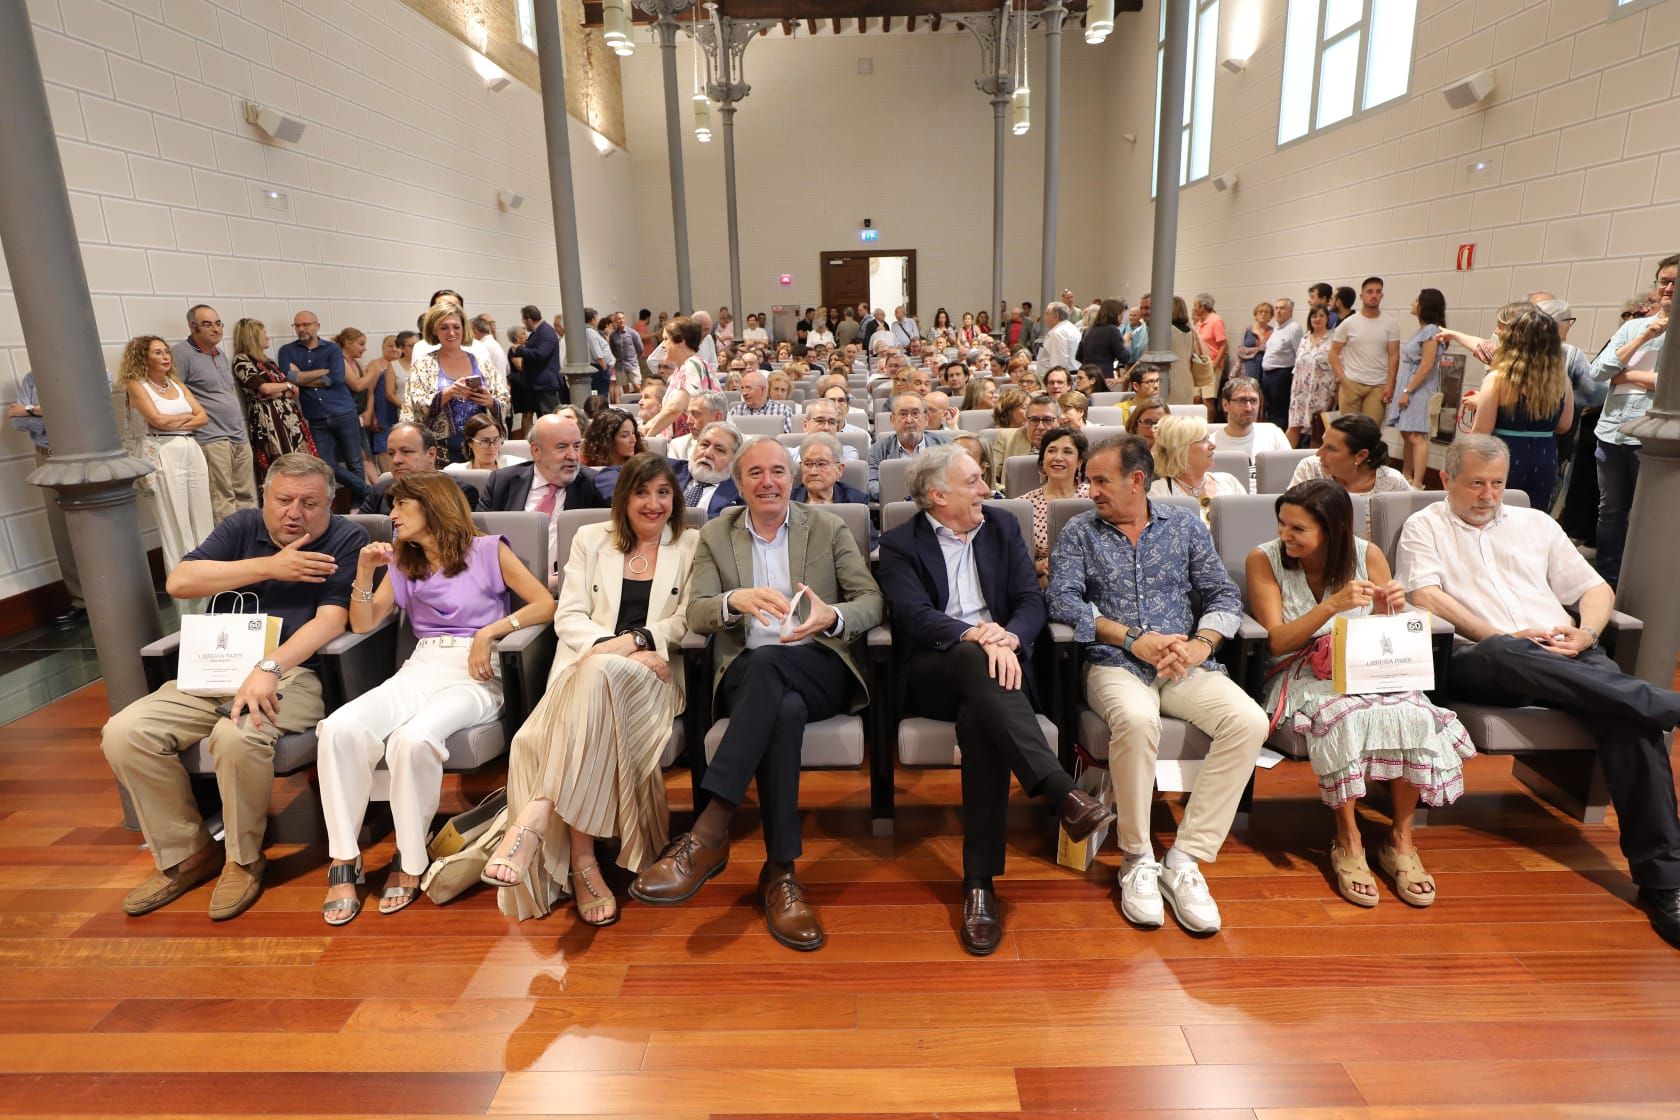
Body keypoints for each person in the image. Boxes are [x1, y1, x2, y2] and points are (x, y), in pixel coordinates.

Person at [1398, 436, 1680, 948]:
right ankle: (1667, 704)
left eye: (1498, 484)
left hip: (1564, 652)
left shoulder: (1537, 524)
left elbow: (1593, 589)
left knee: (1629, 722)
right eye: (1476, 484)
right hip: (1481, 658)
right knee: (1510, 652)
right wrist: (1498, 636)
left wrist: (1586, 633)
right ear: (1447, 479)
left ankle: (1664, 883)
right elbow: (1424, 595)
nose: (1488, 495)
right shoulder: (1426, 526)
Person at [628, 438, 885, 950]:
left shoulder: (830, 526)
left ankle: (709, 831)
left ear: (791, 479)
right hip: (748, 670)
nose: (767, 482)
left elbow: (871, 601)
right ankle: (781, 876)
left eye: (777, 472)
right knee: (778, 700)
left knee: (782, 678)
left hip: (820, 665)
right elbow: (698, 611)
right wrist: (732, 600)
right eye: (754, 474)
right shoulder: (716, 534)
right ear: (739, 483)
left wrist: (830, 617)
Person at [100, 454, 367, 920]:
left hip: (291, 672)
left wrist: (269, 666)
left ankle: (243, 860)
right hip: (214, 668)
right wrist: (270, 567)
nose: (295, 513)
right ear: (266, 498)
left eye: (310, 503)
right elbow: (181, 581)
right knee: (125, 732)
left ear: (330, 504)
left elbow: (331, 619)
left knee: (238, 734)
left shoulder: (346, 538)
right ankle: (188, 854)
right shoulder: (242, 528)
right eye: (284, 500)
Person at [877, 444, 1115, 954]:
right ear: (939, 496)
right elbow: (914, 615)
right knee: (970, 657)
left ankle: (979, 884)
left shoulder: (1003, 527)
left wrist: (1007, 637)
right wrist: (980, 637)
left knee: (981, 723)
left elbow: (1032, 600)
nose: (987, 489)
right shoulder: (899, 544)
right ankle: (1059, 790)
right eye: (974, 482)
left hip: (1002, 670)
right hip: (936, 671)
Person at [1048, 436, 1266, 936]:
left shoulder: (1186, 525)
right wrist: (1132, 638)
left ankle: (1185, 859)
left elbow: (1221, 595)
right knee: (1137, 718)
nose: (1091, 490)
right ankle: (1137, 857)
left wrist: (1201, 645)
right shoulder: (1081, 531)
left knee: (1248, 720)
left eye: (1101, 480)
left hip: (1184, 663)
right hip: (1114, 663)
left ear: (1137, 481)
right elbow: (1062, 601)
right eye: (1090, 480)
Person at [316, 471, 553, 923]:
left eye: (401, 505)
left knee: (414, 739)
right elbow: (364, 623)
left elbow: (544, 603)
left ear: (433, 505)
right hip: (420, 666)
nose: (391, 515)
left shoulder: (488, 550)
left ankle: (410, 861)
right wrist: (366, 570)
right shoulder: (406, 564)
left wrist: (491, 631)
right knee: (339, 728)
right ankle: (344, 858)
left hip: (477, 671)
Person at [481, 454, 698, 924]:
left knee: (596, 677)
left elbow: (688, 620)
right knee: (576, 699)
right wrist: (614, 651)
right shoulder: (590, 540)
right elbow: (569, 616)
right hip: (585, 672)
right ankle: (581, 860)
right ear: (624, 498)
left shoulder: (692, 544)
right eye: (642, 492)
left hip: (654, 677)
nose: (654, 503)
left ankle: (541, 819)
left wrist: (635, 642)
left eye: (663, 493)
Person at [1246, 480, 1473, 908]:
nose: (1284, 536)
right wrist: (1330, 607)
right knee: (1345, 716)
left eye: (1298, 529)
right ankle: (1348, 841)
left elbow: (1386, 628)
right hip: (1298, 670)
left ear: (1332, 530)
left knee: (1416, 712)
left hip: (1368, 667)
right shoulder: (1264, 559)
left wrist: (1392, 607)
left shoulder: (1367, 554)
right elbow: (1277, 641)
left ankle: (1400, 841)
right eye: (1282, 524)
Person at [1590, 254, 1673, 585]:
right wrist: (1643, 338)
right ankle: (1607, 579)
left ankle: (1638, 582)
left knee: (1646, 516)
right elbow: (1599, 371)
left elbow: (1671, 384)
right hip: (1611, 432)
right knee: (1609, 511)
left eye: (1674, 282)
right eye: (1662, 281)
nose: (1667, 288)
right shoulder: (1634, 327)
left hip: (1651, 439)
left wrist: (1630, 374)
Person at [117, 335, 215, 573]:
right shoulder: (137, 385)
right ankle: (186, 583)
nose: (165, 357)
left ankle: (210, 577)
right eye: (157, 353)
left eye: (166, 351)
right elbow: (157, 421)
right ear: (143, 357)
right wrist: (186, 419)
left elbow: (203, 417)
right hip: (163, 452)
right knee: (175, 522)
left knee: (203, 516)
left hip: (191, 448)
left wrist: (178, 422)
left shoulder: (178, 385)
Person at [480, 414, 609, 586]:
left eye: (577, 446)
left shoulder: (595, 485)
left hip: (571, 589)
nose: (572, 456)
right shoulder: (502, 483)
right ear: (536, 451)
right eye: (562, 447)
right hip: (507, 589)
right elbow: (477, 542)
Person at [1468, 306, 1571, 512]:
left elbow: (1481, 432)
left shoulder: (1498, 378)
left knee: (1498, 516)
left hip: (1505, 456)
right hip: (1544, 458)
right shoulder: (1561, 380)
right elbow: (1564, 425)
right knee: (1533, 518)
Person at [8, 371, 89, 622]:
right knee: (61, 529)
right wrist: (41, 412)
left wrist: (29, 410)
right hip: (46, 455)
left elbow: (74, 413)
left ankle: (115, 593)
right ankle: (81, 600)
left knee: (95, 525)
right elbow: (17, 422)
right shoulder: (31, 379)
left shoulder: (89, 369)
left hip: (83, 455)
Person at [172, 304, 257, 523]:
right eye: (207, 324)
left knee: (246, 494)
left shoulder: (219, 353)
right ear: (193, 327)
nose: (216, 329)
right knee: (223, 497)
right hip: (212, 436)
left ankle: (251, 539)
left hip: (237, 433)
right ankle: (231, 551)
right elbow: (175, 392)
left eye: (218, 323)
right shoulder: (182, 354)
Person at [279, 310, 367, 504]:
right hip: (316, 416)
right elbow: (288, 377)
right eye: (298, 325)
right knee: (325, 465)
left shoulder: (332, 349)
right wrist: (319, 372)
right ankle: (367, 491)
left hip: (342, 411)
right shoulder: (287, 351)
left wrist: (302, 377)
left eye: (306, 324)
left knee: (354, 461)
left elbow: (333, 379)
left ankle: (360, 505)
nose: (302, 329)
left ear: (317, 326)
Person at [406, 303, 509, 464]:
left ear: (463, 328)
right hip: (443, 450)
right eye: (444, 327)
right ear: (434, 330)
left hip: (482, 445)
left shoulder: (481, 362)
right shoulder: (423, 365)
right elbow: (417, 405)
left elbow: (503, 398)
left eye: (456, 326)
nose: (451, 332)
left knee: (483, 486)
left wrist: (489, 401)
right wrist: (450, 392)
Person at [230, 319, 316, 492]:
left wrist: (284, 388)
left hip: (289, 418)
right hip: (270, 421)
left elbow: (289, 390)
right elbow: (265, 388)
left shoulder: (267, 361)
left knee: (302, 463)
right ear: (253, 337)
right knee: (283, 466)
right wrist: (287, 387)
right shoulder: (242, 361)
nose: (268, 338)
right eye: (264, 334)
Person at [1387, 290, 1447, 488]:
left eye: (1416, 300)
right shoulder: (1423, 330)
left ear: (1425, 305)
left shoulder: (1431, 330)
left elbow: (1426, 365)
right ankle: (1406, 475)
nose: (1412, 303)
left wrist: (1408, 391)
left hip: (1419, 387)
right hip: (1409, 383)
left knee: (1416, 436)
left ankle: (1418, 482)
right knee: (1407, 433)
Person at [1289, 414, 1412, 512]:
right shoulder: (1310, 469)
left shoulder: (1392, 482)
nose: (1319, 453)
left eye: (1331, 448)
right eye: (1323, 443)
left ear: (1360, 456)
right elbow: (1289, 516)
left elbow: (1413, 521)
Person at [1020, 426, 1089, 586]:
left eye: (1067, 451)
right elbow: (1014, 561)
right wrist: (1037, 567)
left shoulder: (1095, 499)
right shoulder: (1025, 504)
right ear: (1042, 459)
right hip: (1040, 583)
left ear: (1080, 462)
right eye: (1051, 451)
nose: (1058, 457)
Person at [361, 422, 480, 513]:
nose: (396, 460)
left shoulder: (459, 492)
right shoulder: (378, 492)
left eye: (406, 451)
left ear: (431, 454)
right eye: (391, 453)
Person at [1328, 277, 1401, 424]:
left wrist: (1391, 384)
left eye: (1378, 292)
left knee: (1371, 430)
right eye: (1369, 292)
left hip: (1378, 386)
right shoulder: (1349, 323)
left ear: (1382, 295)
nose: (1374, 295)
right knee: (1349, 432)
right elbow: (1333, 353)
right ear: (1362, 296)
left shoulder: (1390, 323)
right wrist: (1343, 379)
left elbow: (1394, 355)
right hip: (1352, 383)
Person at [1149, 414, 1248, 516]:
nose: (1213, 446)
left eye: (1208, 438)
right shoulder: (1158, 493)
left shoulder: (1229, 482)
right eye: (1203, 440)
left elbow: (1250, 522)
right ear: (1180, 449)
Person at [644, 316, 719, 439]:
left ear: (681, 341)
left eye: (666, 339)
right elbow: (669, 409)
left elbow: (675, 408)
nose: (662, 345)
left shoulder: (691, 366)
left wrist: (648, 437)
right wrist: (647, 426)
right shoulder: (682, 369)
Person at [869, 392, 953, 499]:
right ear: (892, 420)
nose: (909, 420)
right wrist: (906, 497)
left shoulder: (945, 445)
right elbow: (871, 484)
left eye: (915, 413)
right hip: (896, 507)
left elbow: (954, 481)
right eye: (903, 414)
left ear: (926, 419)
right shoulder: (878, 449)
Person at [990, 393, 1060, 492]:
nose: (1040, 427)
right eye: (1034, 420)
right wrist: (1007, 491)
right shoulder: (1006, 437)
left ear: (1059, 421)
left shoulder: (1068, 443)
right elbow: (988, 478)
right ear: (1025, 421)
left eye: (1047, 420)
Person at [1288, 305, 1336, 447]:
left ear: (1327, 318)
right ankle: (1284, 461)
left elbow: (1339, 365)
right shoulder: (1304, 339)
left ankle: (1312, 466)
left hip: (1322, 392)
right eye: (1314, 316)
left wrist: (1336, 393)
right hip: (1300, 391)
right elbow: (1297, 366)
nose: (1317, 319)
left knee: (1316, 431)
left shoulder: (1334, 339)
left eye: (1321, 316)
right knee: (1293, 427)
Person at [1210, 377, 1290, 459]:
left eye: (1253, 401)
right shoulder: (1211, 444)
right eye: (1241, 400)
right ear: (1225, 405)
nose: (1248, 408)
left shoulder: (1274, 434)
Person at [680, 421, 746, 519]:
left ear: (734, 460)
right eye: (705, 445)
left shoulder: (740, 494)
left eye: (719, 450)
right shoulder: (668, 470)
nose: (707, 453)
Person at [509, 305, 563, 418]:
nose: (524, 324)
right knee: (544, 417)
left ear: (529, 320)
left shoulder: (546, 331)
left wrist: (520, 350)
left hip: (545, 383)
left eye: (524, 321)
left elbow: (541, 354)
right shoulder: (538, 331)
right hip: (539, 382)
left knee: (551, 417)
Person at [792, 432, 869, 508]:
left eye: (821, 464)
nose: (813, 472)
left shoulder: (855, 501)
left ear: (839, 469)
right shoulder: (788, 500)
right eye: (808, 464)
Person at [1260, 297, 1303, 433]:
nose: (1278, 311)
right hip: (1268, 374)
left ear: (1290, 311)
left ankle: (1279, 440)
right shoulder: (1277, 328)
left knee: (1280, 412)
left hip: (1281, 374)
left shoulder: (1294, 328)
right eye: (1277, 308)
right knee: (1270, 410)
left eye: (1282, 308)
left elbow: (1299, 354)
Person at [584, 409, 647, 499]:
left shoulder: (644, 466)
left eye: (633, 433)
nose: (634, 440)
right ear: (606, 440)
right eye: (625, 435)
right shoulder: (584, 469)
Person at [363, 335, 402, 475]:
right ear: (383, 348)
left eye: (397, 346)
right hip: (382, 413)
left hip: (399, 412)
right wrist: (372, 415)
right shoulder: (376, 364)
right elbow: (368, 391)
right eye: (390, 346)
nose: (394, 349)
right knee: (383, 448)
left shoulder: (402, 365)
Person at [1075, 299, 1130, 383]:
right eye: (1121, 314)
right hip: (1103, 377)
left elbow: (1078, 356)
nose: (1122, 317)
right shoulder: (1112, 330)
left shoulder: (1088, 330)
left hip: (1084, 376)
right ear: (1115, 314)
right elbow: (1124, 358)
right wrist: (1125, 342)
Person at [671, 390, 728, 462]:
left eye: (695, 414)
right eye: (688, 414)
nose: (688, 421)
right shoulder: (678, 446)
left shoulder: (743, 448)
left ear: (717, 417)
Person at [449, 413, 517, 473]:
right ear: (470, 443)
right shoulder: (455, 472)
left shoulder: (515, 466)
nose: (492, 447)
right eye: (485, 441)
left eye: (496, 440)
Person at [730, 371, 797, 433]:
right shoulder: (735, 411)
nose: (744, 393)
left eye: (748, 388)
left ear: (762, 390)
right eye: (742, 388)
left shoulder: (784, 410)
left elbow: (786, 441)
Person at [1235, 302, 1273, 383]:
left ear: (1270, 316)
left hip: (1267, 368)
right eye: (1260, 311)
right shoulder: (1248, 330)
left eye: (1266, 312)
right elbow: (1240, 350)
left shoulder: (1274, 332)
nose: (1263, 314)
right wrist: (1258, 349)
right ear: (1255, 315)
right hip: (1249, 366)